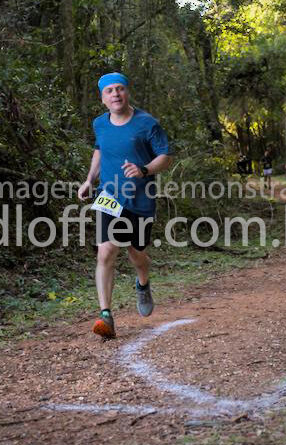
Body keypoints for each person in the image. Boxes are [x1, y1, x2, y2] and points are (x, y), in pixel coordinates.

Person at [78, 72, 173, 339]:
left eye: (120, 89)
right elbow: (100, 150)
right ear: (103, 98)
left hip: (140, 199)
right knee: (106, 251)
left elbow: (165, 156)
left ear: (127, 92)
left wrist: (144, 169)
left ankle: (143, 283)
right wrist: (89, 180)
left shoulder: (147, 123)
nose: (115, 94)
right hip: (109, 196)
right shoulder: (100, 124)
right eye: (110, 91)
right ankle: (105, 315)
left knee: (136, 255)